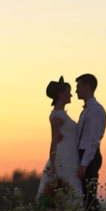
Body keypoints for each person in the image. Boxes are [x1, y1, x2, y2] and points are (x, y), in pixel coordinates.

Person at [37, 76, 83, 204]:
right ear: (60, 94)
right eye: (68, 92)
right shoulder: (57, 116)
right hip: (64, 156)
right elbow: (54, 141)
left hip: (71, 155)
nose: (71, 95)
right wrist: (52, 165)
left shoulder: (62, 114)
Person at [76, 73, 106, 211]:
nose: (76, 91)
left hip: (89, 155)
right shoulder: (87, 110)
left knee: (89, 195)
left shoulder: (95, 110)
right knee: (85, 195)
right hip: (83, 154)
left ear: (87, 87)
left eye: (79, 87)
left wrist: (84, 163)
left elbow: (93, 140)